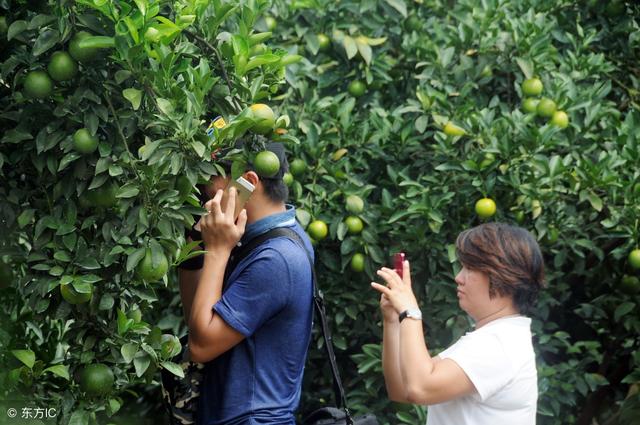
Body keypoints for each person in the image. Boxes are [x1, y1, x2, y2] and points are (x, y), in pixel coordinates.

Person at [178, 142, 314, 425]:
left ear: (248, 182)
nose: (202, 191)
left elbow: (202, 345)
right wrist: (195, 250)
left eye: (209, 177)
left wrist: (217, 250)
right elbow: (199, 318)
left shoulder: (277, 259)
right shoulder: (262, 238)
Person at [370, 222, 544, 425]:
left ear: (501, 275)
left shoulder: (499, 345)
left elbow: (419, 388)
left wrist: (410, 313)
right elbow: (401, 389)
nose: (458, 277)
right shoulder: (494, 338)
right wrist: (393, 320)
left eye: (469, 268)